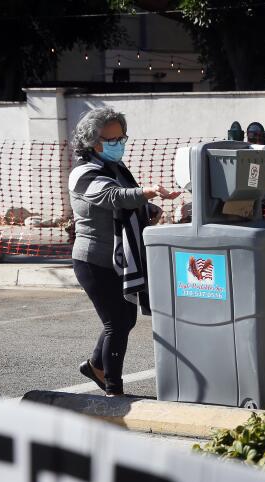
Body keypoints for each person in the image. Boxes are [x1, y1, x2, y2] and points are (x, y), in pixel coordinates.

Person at [68, 107, 179, 396]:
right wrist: (149, 191)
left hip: (119, 260)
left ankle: (95, 366)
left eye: (122, 137)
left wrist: (148, 208)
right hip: (94, 260)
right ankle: (113, 390)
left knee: (124, 320)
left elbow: (129, 204)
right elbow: (114, 196)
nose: (119, 144)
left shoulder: (116, 168)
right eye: (112, 139)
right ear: (94, 142)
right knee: (116, 322)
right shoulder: (83, 173)